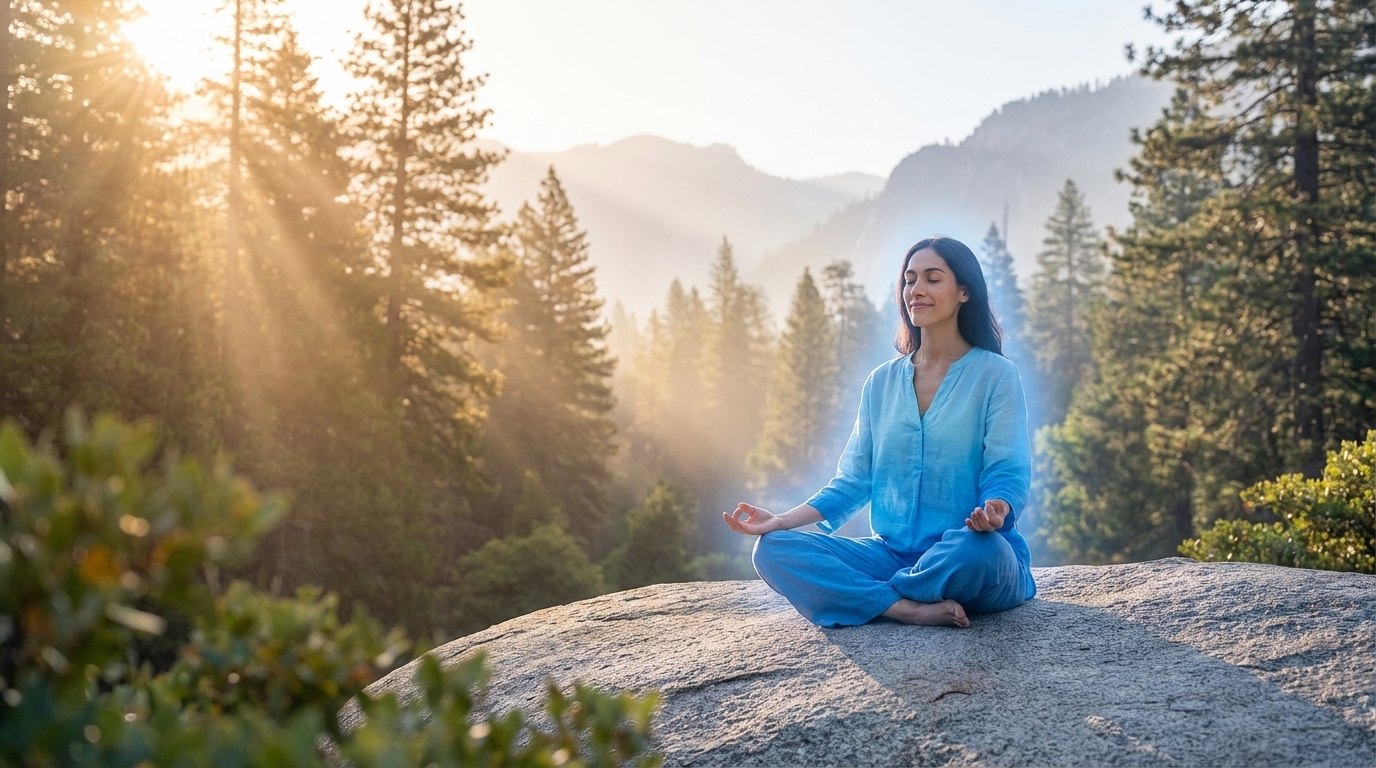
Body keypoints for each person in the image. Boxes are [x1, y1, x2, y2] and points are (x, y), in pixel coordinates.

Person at [722, 235, 1034, 628]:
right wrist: (780, 521)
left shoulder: (996, 375)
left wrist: (997, 507)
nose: (916, 290)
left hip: (967, 555)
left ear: (964, 292)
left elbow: (1007, 468)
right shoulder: (881, 383)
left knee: (982, 553)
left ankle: (871, 595)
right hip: (890, 555)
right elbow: (853, 482)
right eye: (909, 279)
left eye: (932, 278)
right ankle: (904, 606)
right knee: (772, 551)